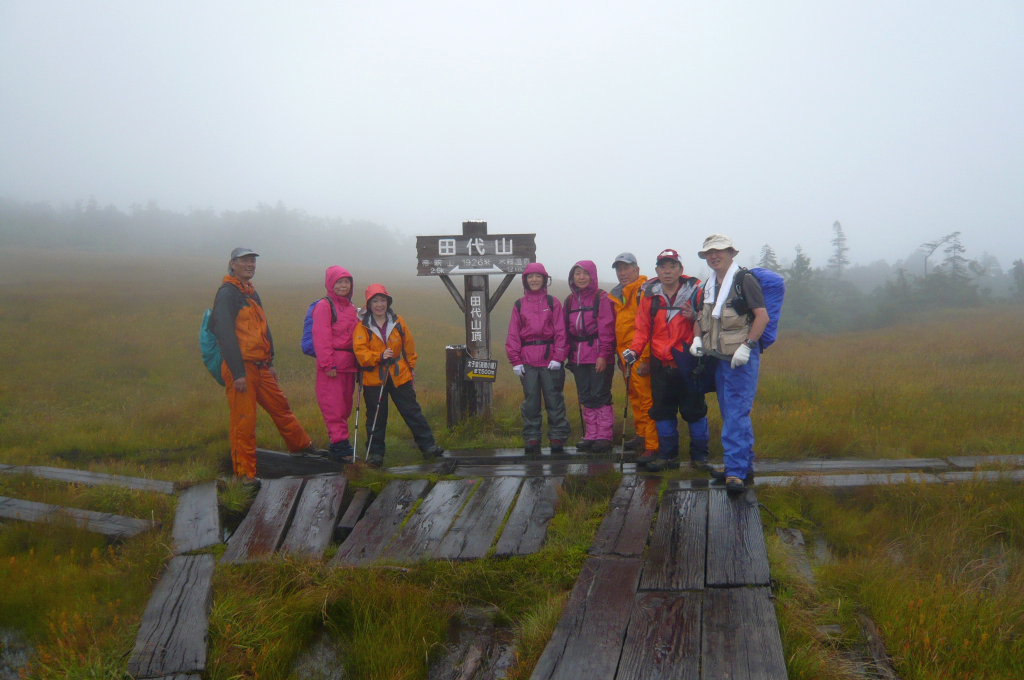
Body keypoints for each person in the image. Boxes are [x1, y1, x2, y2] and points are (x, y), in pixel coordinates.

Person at [210, 247, 323, 479]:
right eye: (245, 261)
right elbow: (225, 334)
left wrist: (269, 361)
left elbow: (263, 328)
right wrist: (237, 372)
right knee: (244, 422)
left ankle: (300, 447)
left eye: (252, 261)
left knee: (281, 407)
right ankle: (244, 476)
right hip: (240, 368)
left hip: (261, 366)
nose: (250, 264)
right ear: (233, 264)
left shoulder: (250, 292)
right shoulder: (227, 293)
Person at [690, 234, 769, 493]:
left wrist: (747, 346)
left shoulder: (744, 280)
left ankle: (734, 472)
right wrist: (696, 340)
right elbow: (700, 317)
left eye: (719, 251)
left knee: (735, 414)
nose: (714, 256)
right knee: (731, 414)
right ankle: (743, 466)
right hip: (720, 359)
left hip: (741, 360)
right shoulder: (708, 285)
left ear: (731, 253)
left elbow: (762, 317)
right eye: (709, 252)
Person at [622, 249, 709, 472]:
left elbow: (708, 322)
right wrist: (634, 351)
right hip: (660, 364)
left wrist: (694, 317)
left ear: (681, 269)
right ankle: (668, 457)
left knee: (694, 412)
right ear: (657, 271)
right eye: (663, 267)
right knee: (662, 411)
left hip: (688, 363)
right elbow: (642, 329)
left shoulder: (695, 293)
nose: (667, 271)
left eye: (672, 266)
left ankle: (700, 459)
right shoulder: (650, 297)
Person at [353, 284, 444, 467]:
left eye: (383, 300)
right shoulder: (362, 327)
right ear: (369, 305)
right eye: (375, 301)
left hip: (399, 374)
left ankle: (429, 447)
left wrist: (410, 367)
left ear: (388, 302)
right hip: (373, 378)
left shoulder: (398, 321)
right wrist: (378, 356)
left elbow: (408, 346)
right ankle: (375, 454)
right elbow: (360, 353)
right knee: (376, 417)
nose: (380, 305)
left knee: (412, 411)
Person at [506, 262, 571, 454]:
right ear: (525, 280)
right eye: (530, 276)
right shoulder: (519, 304)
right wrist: (515, 360)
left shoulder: (553, 303)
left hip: (550, 360)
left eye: (538, 276)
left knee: (554, 399)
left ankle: (557, 436)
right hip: (527, 361)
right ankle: (532, 437)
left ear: (544, 280)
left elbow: (561, 331)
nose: (534, 280)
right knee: (531, 401)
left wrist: (559, 357)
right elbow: (513, 334)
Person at [608, 253, 659, 459]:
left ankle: (652, 445)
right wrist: (620, 357)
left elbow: (648, 327)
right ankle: (641, 434)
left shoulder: (644, 291)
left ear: (637, 270)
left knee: (647, 399)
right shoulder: (619, 294)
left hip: (640, 355)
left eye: (626, 268)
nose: (622, 273)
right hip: (625, 357)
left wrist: (646, 358)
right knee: (634, 396)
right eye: (619, 269)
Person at [565, 260, 617, 453]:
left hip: (598, 355)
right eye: (577, 273)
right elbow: (566, 330)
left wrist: (603, 355)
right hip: (578, 357)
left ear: (592, 276)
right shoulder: (570, 300)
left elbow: (607, 328)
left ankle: (604, 435)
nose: (581, 277)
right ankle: (591, 434)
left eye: (585, 273)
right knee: (585, 396)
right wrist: (567, 355)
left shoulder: (602, 298)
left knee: (600, 395)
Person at [311, 266, 360, 463]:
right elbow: (321, 337)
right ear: (330, 283)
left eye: (346, 282)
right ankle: (341, 450)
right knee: (334, 408)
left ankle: (337, 447)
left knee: (345, 408)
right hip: (332, 368)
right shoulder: (324, 306)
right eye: (338, 282)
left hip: (349, 366)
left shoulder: (350, 307)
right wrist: (328, 364)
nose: (343, 286)